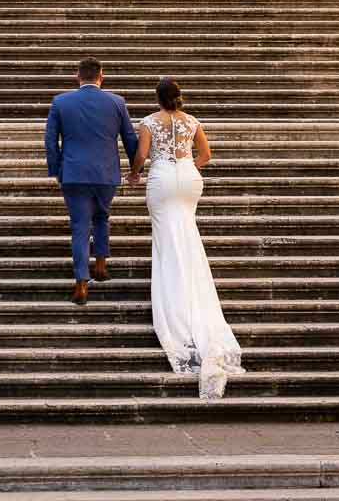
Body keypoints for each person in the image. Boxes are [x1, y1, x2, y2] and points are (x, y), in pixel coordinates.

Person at [129, 76, 244, 400]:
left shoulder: (150, 121)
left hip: (163, 178)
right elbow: (205, 154)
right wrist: (188, 167)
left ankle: (174, 302)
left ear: (157, 97)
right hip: (189, 179)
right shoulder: (192, 121)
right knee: (188, 235)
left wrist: (135, 173)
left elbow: (142, 154)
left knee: (167, 240)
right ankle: (195, 296)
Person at [44, 55, 138, 306]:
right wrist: (135, 168)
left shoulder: (61, 102)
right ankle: (101, 265)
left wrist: (56, 170)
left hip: (74, 173)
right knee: (102, 217)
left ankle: (81, 284)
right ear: (101, 76)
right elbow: (130, 138)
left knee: (79, 226)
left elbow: (50, 140)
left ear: (78, 76)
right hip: (106, 173)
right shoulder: (117, 102)